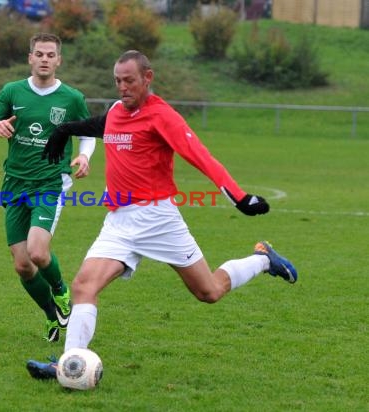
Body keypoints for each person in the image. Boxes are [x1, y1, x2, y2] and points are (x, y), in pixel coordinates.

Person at [26, 50, 298, 379]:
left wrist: (239, 197)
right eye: (117, 81)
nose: (122, 87)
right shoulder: (115, 111)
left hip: (159, 219)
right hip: (118, 221)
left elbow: (201, 156)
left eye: (129, 81)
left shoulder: (162, 116)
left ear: (147, 78)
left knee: (208, 292)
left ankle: (263, 259)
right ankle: (68, 365)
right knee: (84, 286)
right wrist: (64, 130)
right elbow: (101, 125)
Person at [0, 33, 96, 342]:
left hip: (50, 183)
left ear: (58, 60)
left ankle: (61, 291)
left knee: (38, 253)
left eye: (50, 54)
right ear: (30, 58)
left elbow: (89, 132)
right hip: (15, 183)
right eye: (39, 54)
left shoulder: (71, 98)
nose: (44, 59)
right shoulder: (12, 91)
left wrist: (83, 154)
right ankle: (51, 316)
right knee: (23, 267)